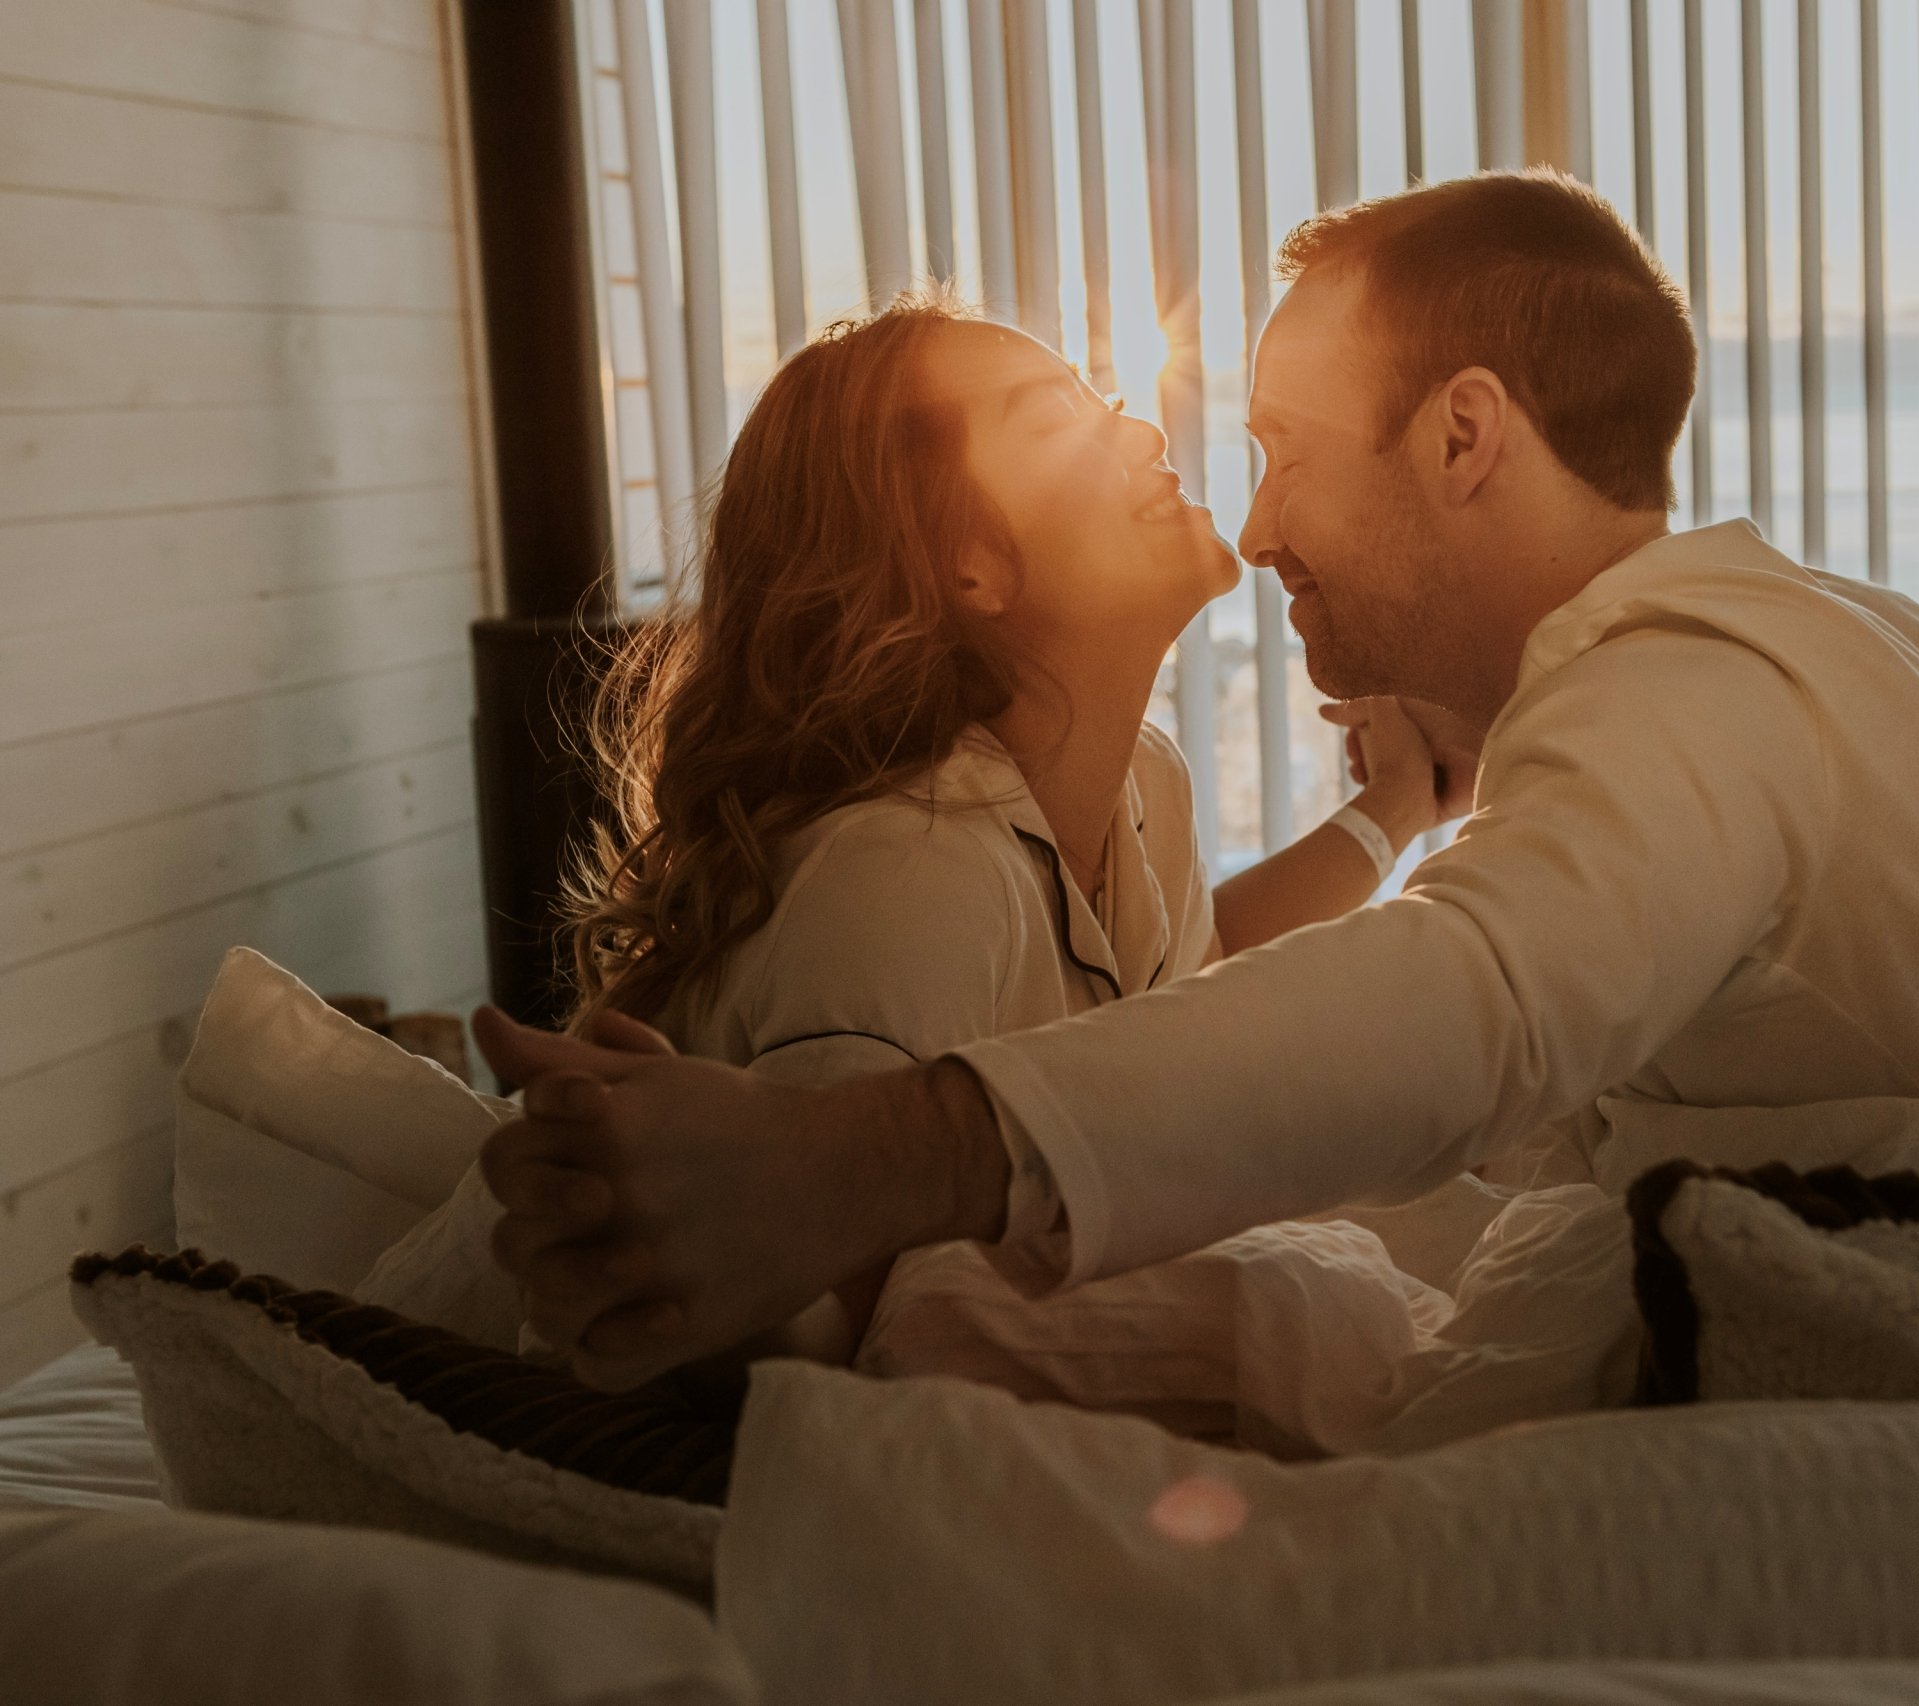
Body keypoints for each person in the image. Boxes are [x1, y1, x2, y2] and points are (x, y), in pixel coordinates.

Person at [475, 170, 1919, 1395]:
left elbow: (1475, 1006)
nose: (1249, 526)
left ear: (1465, 439)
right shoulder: (1747, 643)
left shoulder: (1697, 684)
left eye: (1281, 449)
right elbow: (1475, 1084)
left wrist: (839, 1165)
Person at [548, 295, 1458, 1372]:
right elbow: (821, 1294)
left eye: (1106, 401)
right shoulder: (904, 870)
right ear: (970, 561)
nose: (1143, 430)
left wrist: (1402, 802)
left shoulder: (1139, 780)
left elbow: (1191, 986)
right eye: (1057, 420)